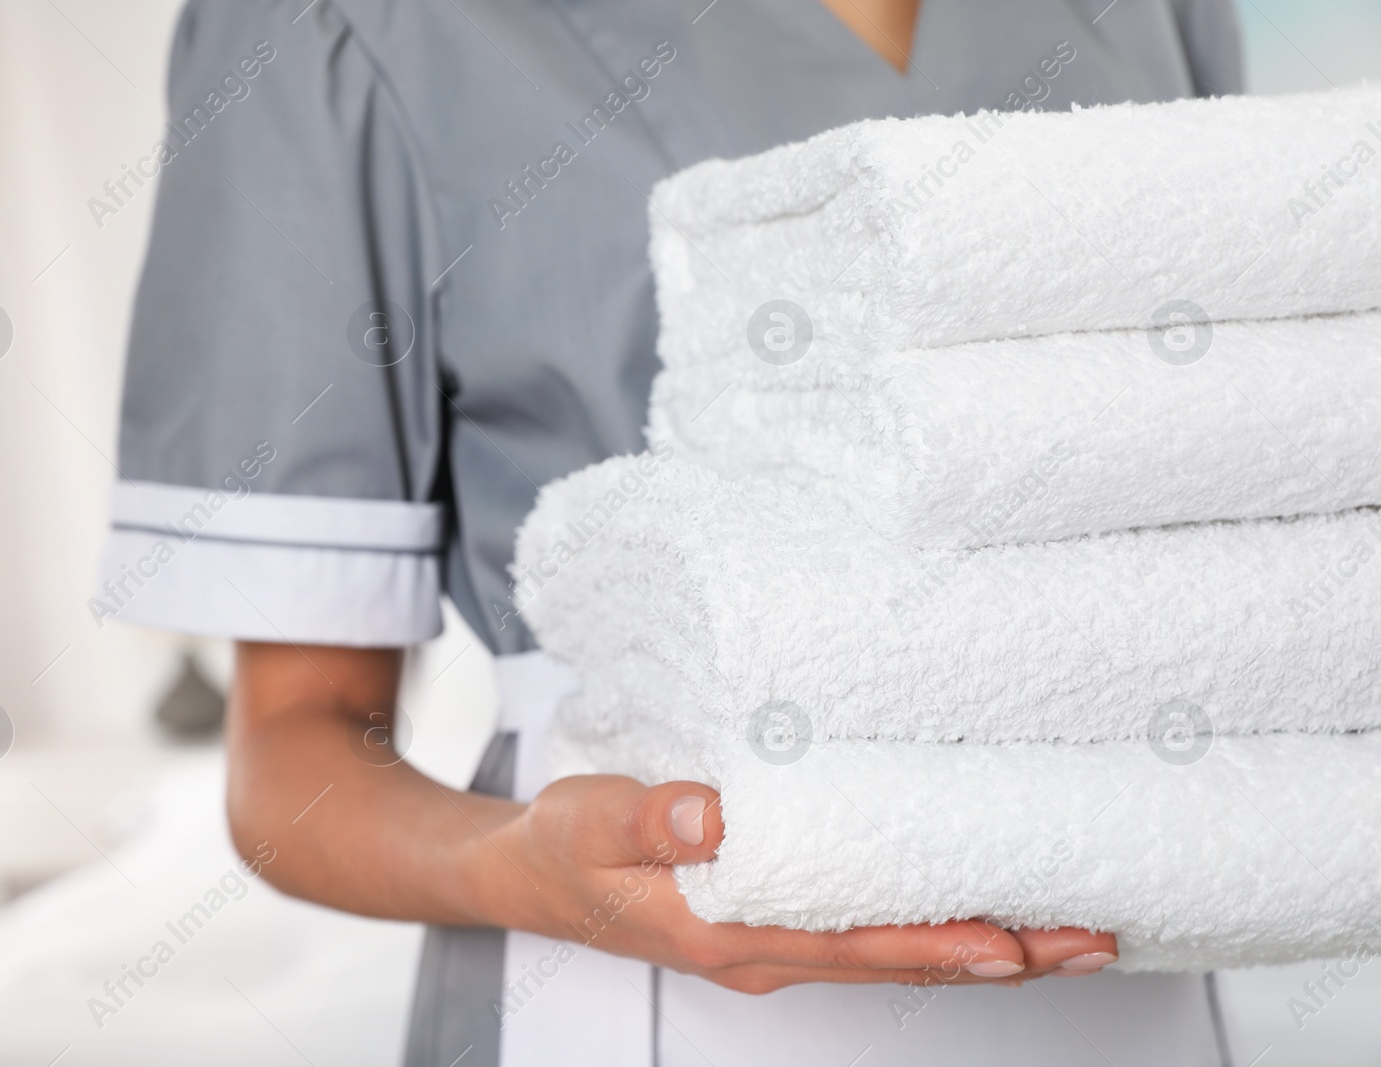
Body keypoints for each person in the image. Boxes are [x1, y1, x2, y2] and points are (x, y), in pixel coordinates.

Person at [99, 0, 1243, 1063]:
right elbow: (295, 749)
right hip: (635, 984)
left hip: (1133, 951)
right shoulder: (343, 27)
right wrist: (524, 868)